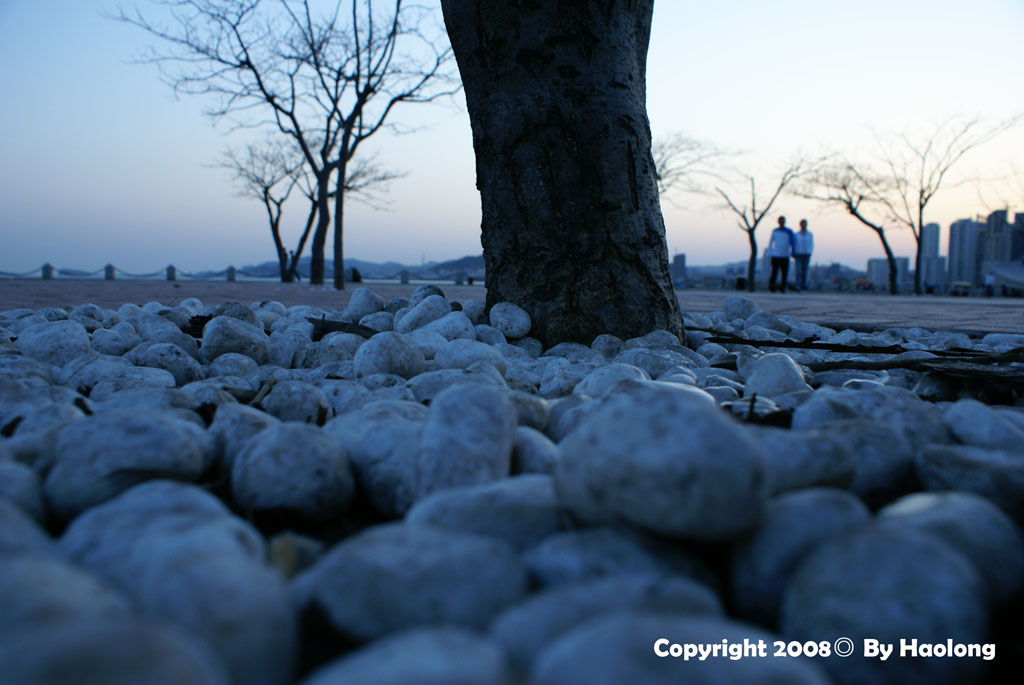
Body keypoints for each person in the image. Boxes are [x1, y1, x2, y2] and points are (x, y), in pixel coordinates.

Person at [767, 216, 795, 293]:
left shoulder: (789, 231)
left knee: (784, 273)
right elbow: (770, 242)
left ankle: (783, 288)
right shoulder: (775, 231)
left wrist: (793, 252)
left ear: (784, 221)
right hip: (775, 255)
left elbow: (792, 242)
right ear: (778, 222)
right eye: (780, 220)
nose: (781, 222)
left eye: (782, 221)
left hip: (785, 255)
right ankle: (772, 287)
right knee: (774, 272)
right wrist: (769, 253)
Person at [792, 219, 814, 292]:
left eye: (805, 224)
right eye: (802, 224)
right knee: (798, 271)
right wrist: (793, 252)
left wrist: (810, 252)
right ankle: (797, 286)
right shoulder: (796, 234)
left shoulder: (810, 234)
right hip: (798, 254)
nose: (803, 225)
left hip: (806, 254)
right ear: (800, 225)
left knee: (804, 271)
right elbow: (794, 244)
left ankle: (803, 286)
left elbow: (811, 244)